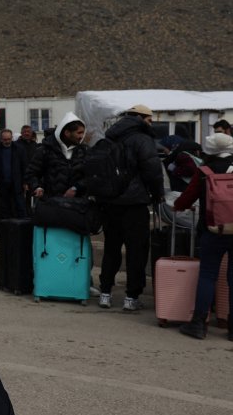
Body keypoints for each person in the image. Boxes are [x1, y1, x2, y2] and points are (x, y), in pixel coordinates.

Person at [96, 104, 165, 311]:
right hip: (135, 202)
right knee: (136, 251)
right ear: (140, 118)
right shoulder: (142, 139)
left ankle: (105, 293)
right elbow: (152, 169)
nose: (151, 123)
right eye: (149, 119)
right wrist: (158, 193)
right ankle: (131, 297)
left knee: (111, 249)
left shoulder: (109, 137)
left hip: (110, 202)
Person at [174, 133, 233, 340]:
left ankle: (198, 324)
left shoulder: (204, 172)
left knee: (208, 275)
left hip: (212, 230)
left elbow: (187, 197)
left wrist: (178, 206)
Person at [26, 113, 87, 199]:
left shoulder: (83, 151)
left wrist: (76, 188)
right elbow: (31, 173)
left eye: (83, 133)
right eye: (79, 133)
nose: (81, 136)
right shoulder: (45, 150)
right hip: (52, 204)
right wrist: (37, 187)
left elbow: (90, 176)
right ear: (67, 133)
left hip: (77, 205)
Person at [0, 129, 28, 219]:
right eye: (5, 140)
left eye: (9, 139)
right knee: (4, 208)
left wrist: (25, 182)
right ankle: (6, 229)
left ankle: (22, 228)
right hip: (2, 184)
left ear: (12, 138)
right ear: (1, 139)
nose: (7, 141)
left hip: (17, 183)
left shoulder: (19, 149)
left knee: (20, 206)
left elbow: (25, 166)